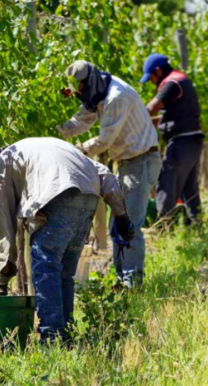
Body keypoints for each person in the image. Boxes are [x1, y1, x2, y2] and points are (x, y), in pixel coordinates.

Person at [0, 137, 134, 341]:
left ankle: (52, 336)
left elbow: (3, 224)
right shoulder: (45, 147)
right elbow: (105, 174)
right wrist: (121, 215)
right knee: (64, 273)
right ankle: (66, 332)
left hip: (56, 194)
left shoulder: (2, 164)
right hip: (89, 195)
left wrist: (0, 280)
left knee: (46, 267)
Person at [56, 60, 160, 289]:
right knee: (119, 221)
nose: (81, 93)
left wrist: (73, 150)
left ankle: (132, 281)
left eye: (81, 88)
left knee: (128, 221)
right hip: (127, 161)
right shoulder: (99, 92)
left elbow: (104, 141)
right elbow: (81, 120)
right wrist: (57, 133)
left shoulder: (116, 97)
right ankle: (123, 278)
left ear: (89, 81)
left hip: (140, 161)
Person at [141, 53, 203, 225]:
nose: (152, 83)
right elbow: (173, 115)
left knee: (167, 180)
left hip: (182, 142)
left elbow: (150, 109)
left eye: (151, 78)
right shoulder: (180, 79)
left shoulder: (171, 83)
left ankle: (164, 225)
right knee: (189, 187)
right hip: (193, 140)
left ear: (158, 71)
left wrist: (132, 121)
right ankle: (196, 222)